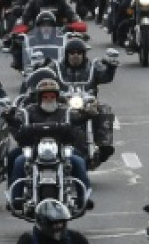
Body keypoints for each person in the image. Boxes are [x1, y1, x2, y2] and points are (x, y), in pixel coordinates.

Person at [6, 78, 91, 209]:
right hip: (34, 150)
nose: (49, 98)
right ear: (39, 98)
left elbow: (76, 125)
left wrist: (86, 113)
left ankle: (83, 198)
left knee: (79, 161)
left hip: (61, 149)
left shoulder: (66, 111)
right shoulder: (28, 111)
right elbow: (19, 128)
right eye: (45, 96)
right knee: (17, 160)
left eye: (52, 96)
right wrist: (10, 117)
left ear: (57, 97)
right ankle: (15, 198)